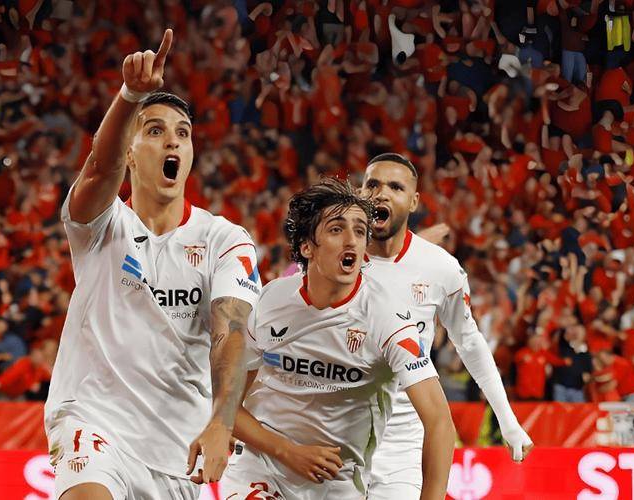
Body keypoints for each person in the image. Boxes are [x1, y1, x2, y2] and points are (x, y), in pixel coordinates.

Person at [44, 29, 260, 500]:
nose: (172, 143)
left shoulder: (225, 240)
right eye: (155, 131)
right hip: (93, 421)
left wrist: (223, 421)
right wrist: (130, 97)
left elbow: (231, 332)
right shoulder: (100, 225)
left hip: (174, 449)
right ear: (130, 152)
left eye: (182, 134)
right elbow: (99, 169)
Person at [220, 179, 454, 499]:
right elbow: (226, 402)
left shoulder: (388, 317)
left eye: (359, 231)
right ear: (307, 247)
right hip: (262, 466)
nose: (351, 240)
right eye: (336, 229)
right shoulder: (271, 301)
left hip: (338, 481)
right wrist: (288, 451)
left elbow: (439, 422)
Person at [361, 153, 533, 500]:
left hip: (401, 439)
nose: (381, 193)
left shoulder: (441, 268)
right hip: (336, 428)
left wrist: (507, 419)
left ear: (414, 201)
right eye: (372, 185)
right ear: (359, 193)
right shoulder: (333, 259)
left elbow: (469, 342)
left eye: (395, 187)